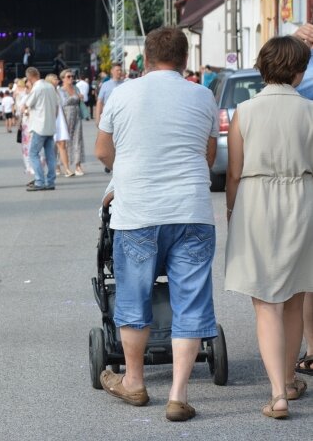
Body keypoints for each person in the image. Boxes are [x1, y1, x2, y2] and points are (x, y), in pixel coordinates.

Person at [94, 26, 219, 422]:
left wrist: (129, 169)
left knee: (132, 297)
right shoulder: (203, 96)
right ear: (184, 60)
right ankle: (178, 394)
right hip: (192, 212)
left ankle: (134, 381)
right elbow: (208, 154)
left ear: (145, 59)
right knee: (191, 299)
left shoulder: (121, 93)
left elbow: (102, 151)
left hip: (139, 214)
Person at [224, 35, 313, 419]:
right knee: (295, 296)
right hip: (303, 198)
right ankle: (291, 383)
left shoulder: (245, 110)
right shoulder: (310, 110)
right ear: (299, 70)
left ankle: (277, 393)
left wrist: (232, 212)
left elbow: (233, 172)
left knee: (265, 302)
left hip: (256, 201)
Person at [23, 67, 58, 191]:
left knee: (33, 154)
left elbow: (27, 104)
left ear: (29, 78)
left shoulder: (37, 88)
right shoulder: (50, 87)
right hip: (50, 125)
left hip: (39, 125)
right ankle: (51, 181)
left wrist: (25, 111)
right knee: (50, 155)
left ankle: (39, 181)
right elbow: (56, 106)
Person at [44, 73, 72, 177]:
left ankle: (67, 168)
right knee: (52, 145)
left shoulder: (59, 91)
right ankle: (55, 167)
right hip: (52, 119)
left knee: (62, 144)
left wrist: (65, 120)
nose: (57, 80)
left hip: (60, 118)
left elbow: (62, 107)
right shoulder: (47, 92)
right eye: (55, 79)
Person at [59, 69, 86, 176]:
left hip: (76, 115)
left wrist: (80, 98)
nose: (71, 78)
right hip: (65, 116)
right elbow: (62, 103)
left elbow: (81, 101)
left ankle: (78, 165)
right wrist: (74, 97)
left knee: (77, 139)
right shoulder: (60, 90)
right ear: (63, 79)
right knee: (64, 141)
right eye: (68, 76)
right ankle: (61, 165)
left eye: (72, 76)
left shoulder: (76, 88)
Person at [95, 63, 124, 127]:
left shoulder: (125, 84)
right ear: (112, 71)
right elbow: (99, 102)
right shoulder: (105, 85)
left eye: (120, 70)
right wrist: (97, 118)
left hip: (121, 117)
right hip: (108, 117)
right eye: (117, 70)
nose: (119, 72)